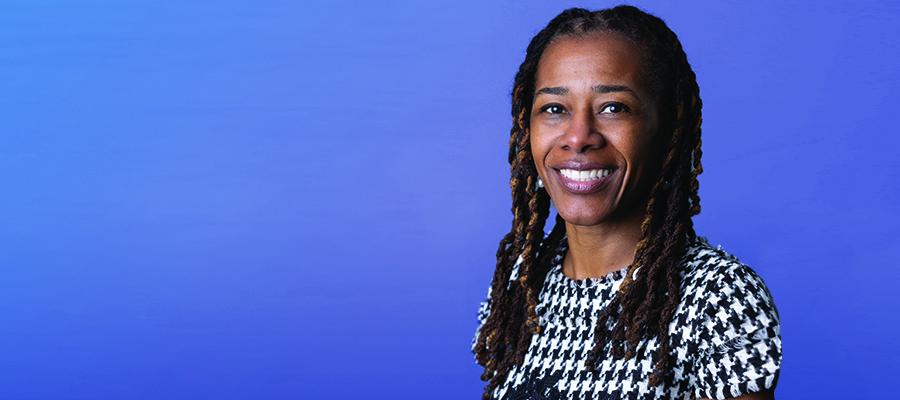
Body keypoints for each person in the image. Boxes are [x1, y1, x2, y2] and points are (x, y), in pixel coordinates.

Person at [470, 5, 782, 400]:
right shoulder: (522, 283)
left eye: (614, 108)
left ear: (666, 129)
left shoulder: (716, 298)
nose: (578, 136)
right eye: (554, 109)